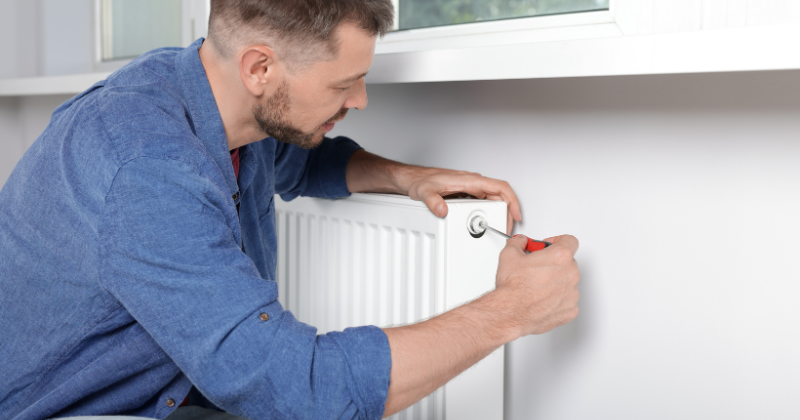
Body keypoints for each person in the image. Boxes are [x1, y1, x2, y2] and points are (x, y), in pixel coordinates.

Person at [0, 1, 580, 419]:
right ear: (260, 68)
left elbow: (294, 162)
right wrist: (513, 310)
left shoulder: (207, 92)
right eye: (343, 84)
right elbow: (294, 389)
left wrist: (406, 176)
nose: (359, 99)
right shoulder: (147, 167)